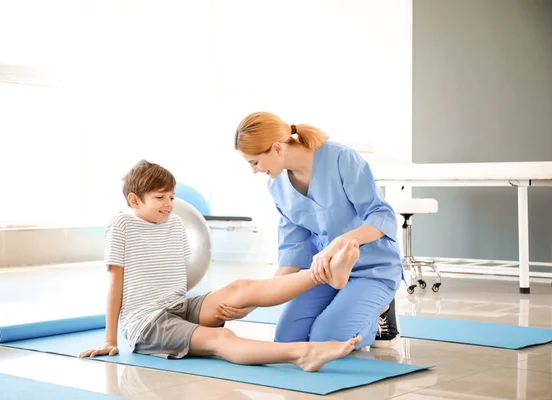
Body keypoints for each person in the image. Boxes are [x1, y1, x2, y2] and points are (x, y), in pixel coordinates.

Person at [79, 160, 364, 372]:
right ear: (134, 200)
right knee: (221, 337)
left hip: (178, 306)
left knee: (239, 288)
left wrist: (214, 305)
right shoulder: (122, 225)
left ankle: (324, 274)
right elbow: (115, 284)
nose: (169, 204)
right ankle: (302, 354)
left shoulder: (175, 223)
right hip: (147, 324)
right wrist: (110, 340)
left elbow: (176, 279)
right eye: (160, 198)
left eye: (171, 197)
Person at [225, 112, 403, 349]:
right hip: (326, 272)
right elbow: (294, 252)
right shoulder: (278, 185)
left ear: (277, 148)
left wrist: (341, 243)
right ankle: (349, 304)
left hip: (373, 268)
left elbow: (382, 215)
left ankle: (380, 311)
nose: (255, 170)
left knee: (326, 339)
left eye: (255, 162)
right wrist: (256, 301)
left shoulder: (342, 159)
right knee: (287, 339)